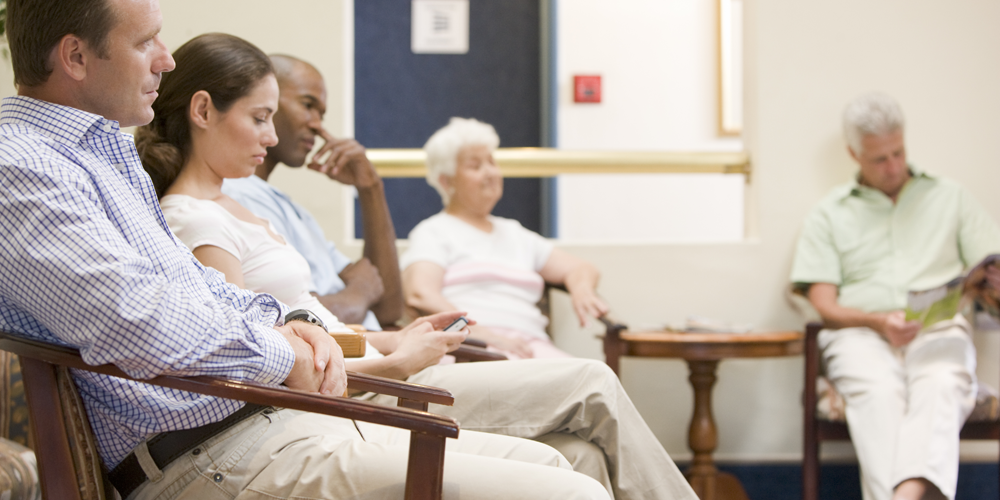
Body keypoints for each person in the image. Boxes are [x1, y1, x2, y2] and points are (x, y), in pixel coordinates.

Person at [0, 1, 614, 498]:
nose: (164, 60)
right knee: (573, 488)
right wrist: (289, 352)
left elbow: (199, 289)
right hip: (206, 454)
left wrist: (290, 323)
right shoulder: (20, 165)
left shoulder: (103, 154)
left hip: (260, 422)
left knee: (573, 467)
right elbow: (139, 321)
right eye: (145, 43)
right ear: (75, 56)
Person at [153, 51, 698, 500]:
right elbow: (257, 358)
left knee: (575, 455)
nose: (271, 137)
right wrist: (390, 359)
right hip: (335, 396)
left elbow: (306, 326)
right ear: (204, 111)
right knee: (590, 385)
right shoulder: (194, 217)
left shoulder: (245, 207)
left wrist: (390, 336)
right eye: (260, 117)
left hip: (355, 373)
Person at [790, 92, 1000, 500]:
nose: (894, 167)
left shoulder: (950, 197)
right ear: (854, 154)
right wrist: (877, 322)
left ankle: (902, 495)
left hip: (937, 329)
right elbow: (824, 305)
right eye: (879, 159)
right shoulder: (828, 214)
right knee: (879, 394)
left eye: (898, 152)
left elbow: (990, 270)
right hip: (860, 335)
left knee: (943, 381)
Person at [401, 117, 609, 359]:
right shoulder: (434, 231)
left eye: (491, 162)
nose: (490, 172)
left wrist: (581, 288)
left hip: (530, 347)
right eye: (475, 166)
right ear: (447, 182)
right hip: (471, 349)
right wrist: (484, 334)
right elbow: (420, 293)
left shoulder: (515, 233)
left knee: (597, 377)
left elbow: (581, 267)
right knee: (589, 380)